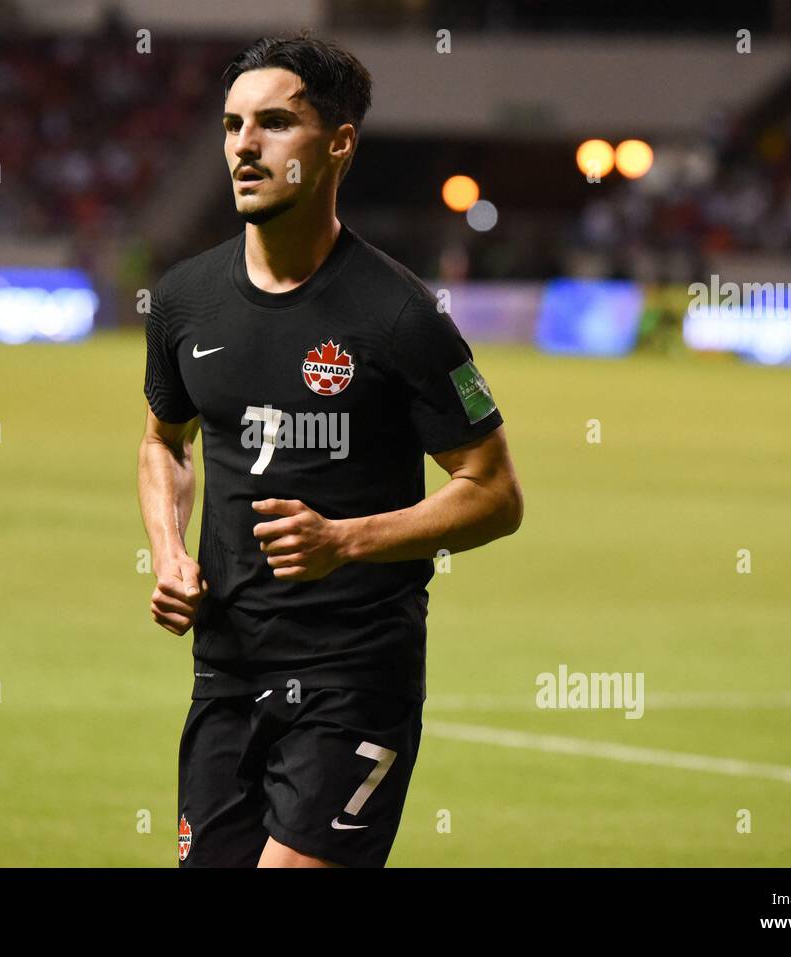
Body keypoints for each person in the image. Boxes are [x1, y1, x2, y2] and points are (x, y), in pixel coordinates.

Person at [137, 34, 523, 867]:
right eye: (234, 123)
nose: (244, 144)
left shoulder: (400, 316)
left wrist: (345, 540)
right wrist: (169, 553)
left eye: (275, 123)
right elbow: (163, 444)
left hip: (356, 673)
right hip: (226, 669)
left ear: (338, 143)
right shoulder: (183, 301)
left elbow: (494, 492)